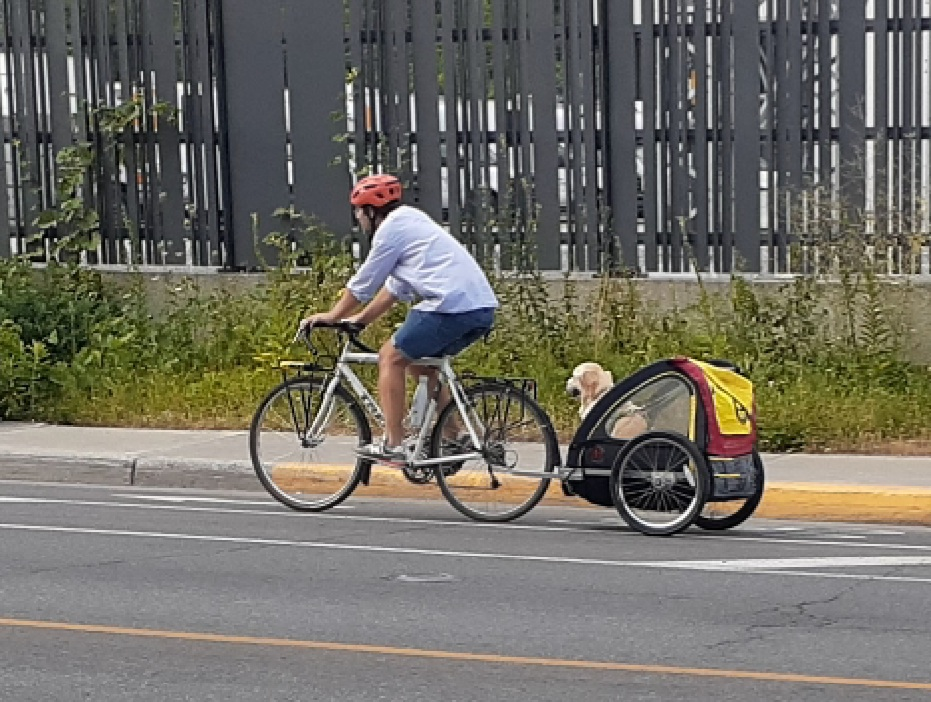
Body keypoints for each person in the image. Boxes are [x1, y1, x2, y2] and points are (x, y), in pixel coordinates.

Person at [301, 173, 498, 463]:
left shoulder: (391, 230)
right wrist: (361, 320)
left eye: (358, 211)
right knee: (422, 366)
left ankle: (393, 444)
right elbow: (394, 288)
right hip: (478, 308)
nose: (357, 218)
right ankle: (455, 436)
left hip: (451, 306)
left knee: (390, 357)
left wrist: (332, 316)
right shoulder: (410, 220)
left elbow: (364, 283)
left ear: (370, 210)